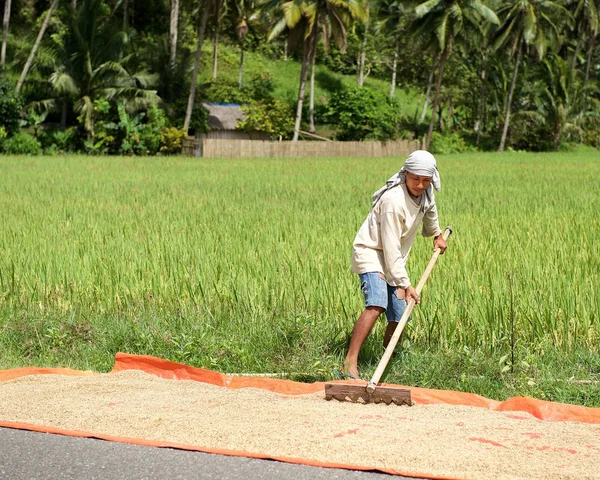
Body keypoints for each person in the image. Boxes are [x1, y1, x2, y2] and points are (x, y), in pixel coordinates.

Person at [340, 150, 447, 380]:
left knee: (400, 314)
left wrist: (436, 234)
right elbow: (389, 249)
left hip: (394, 257)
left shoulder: (425, 193)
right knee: (377, 304)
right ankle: (349, 361)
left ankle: (388, 359)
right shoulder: (393, 202)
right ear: (405, 173)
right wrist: (406, 283)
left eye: (426, 180)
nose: (420, 185)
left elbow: (430, 212)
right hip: (372, 252)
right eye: (415, 178)